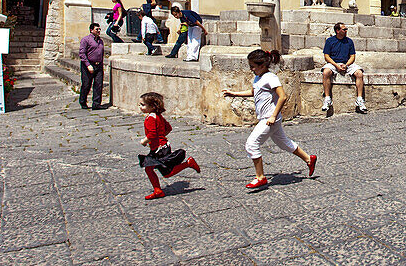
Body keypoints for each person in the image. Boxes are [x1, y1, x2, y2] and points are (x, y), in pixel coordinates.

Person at [222, 49, 317, 190]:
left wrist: (273, 116)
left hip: (269, 119)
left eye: (253, 66)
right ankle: (309, 159)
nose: (251, 69)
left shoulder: (270, 77)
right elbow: (254, 92)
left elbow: (282, 96)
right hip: (268, 118)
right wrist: (234, 93)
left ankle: (260, 177)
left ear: (262, 65)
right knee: (284, 143)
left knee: (251, 144)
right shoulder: (258, 77)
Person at [138, 91, 200, 200]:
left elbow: (152, 134)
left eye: (143, 105)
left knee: (166, 172)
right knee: (149, 168)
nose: (140, 107)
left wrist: (144, 141)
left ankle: (188, 163)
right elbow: (168, 128)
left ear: (152, 106)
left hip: (159, 149)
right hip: (163, 146)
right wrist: (161, 136)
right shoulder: (158, 116)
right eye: (140, 104)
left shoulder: (151, 119)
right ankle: (157, 190)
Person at [321, 22, 367, 113]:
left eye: (346, 29)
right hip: (334, 63)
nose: (346, 31)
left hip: (347, 64)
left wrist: (346, 65)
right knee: (326, 72)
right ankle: (327, 98)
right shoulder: (330, 41)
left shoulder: (349, 41)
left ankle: (360, 99)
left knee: (359, 73)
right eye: (344, 29)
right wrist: (336, 65)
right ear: (338, 31)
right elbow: (326, 56)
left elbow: (352, 57)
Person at [78, 22, 106, 109]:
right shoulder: (86, 40)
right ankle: (83, 101)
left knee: (98, 84)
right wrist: (88, 65)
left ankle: (96, 104)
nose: (98, 31)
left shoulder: (100, 41)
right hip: (88, 65)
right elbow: (82, 53)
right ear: (91, 30)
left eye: (99, 29)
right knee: (86, 84)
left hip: (98, 65)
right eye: (96, 29)